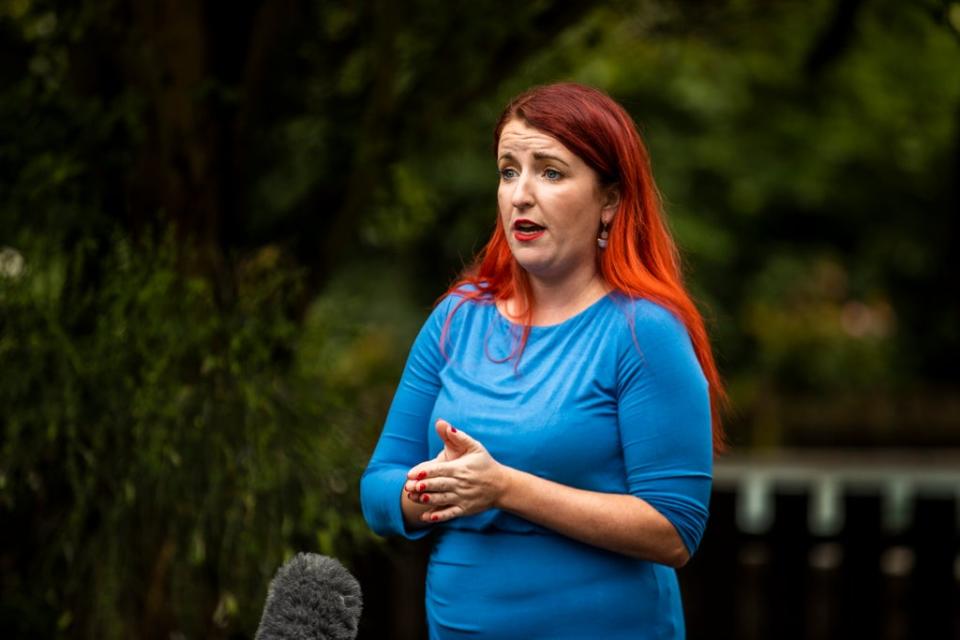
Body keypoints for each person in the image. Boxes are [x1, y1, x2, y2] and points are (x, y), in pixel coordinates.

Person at [360, 82, 726, 639]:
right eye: (509, 171)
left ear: (611, 200)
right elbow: (378, 489)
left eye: (550, 172)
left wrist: (503, 488)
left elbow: (674, 530)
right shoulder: (458, 319)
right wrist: (438, 488)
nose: (520, 195)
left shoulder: (643, 331)